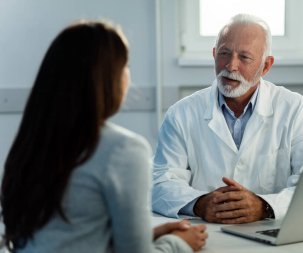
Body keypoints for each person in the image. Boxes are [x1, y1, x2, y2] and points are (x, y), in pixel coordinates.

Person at [0, 20, 207, 253]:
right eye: (125, 66)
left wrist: (146, 236)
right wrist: (179, 243)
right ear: (106, 79)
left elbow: (63, 237)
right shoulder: (123, 150)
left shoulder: (31, 145)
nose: (128, 76)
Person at [152, 13, 303, 224]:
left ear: (266, 66)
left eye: (244, 57)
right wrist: (200, 204)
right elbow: (160, 183)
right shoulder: (181, 113)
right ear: (213, 54)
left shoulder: (297, 110)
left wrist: (264, 206)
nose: (231, 66)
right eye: (224, 53)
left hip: (272, 232)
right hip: (207, 232)